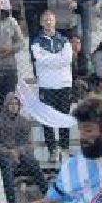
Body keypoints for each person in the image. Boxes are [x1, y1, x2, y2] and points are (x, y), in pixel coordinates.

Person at [31, 10, 73, 163]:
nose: (48, 22)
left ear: (55, 21)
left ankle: (64, 148)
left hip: (64, 84)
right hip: (46, 85)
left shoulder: (64, 40)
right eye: (45, 20)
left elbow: (67, 59)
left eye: (51, 19)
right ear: (42, 23)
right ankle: (52, 150)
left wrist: (50, 59)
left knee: (63, 117)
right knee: (47, 119)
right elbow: (39, 59)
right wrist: (57, 59)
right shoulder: (36, 41)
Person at [0, 92, 49, 203]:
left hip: (21, 153)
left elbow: (30, 144)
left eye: (16, 104)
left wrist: (18, 151)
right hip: (5, 155)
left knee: (33, 162)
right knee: (7, 166)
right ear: (6, 105)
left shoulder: (24, 121)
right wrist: (8, 152)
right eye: (11, 104)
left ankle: (47, 193)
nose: (14, 106)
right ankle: (11, 202)